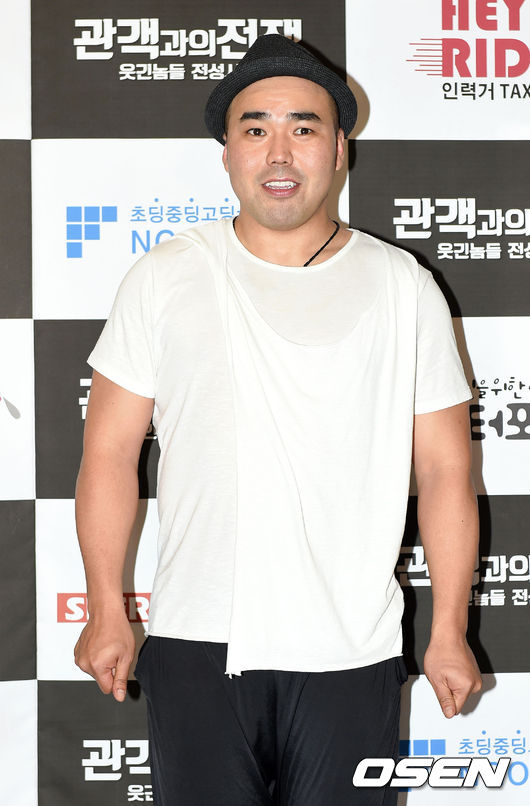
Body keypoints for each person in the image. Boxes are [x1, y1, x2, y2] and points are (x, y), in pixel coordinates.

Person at [74, 34, 482, 805]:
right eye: (255, 129)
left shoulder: (404, 287)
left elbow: (445, 470)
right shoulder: (165, 276)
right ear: (228, 152)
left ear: (340, 148)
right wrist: (105, 611)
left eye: (304, 126)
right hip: (198, 642)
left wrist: (450, 630)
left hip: (352, 649)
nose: (279, 152)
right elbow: (109, 454)